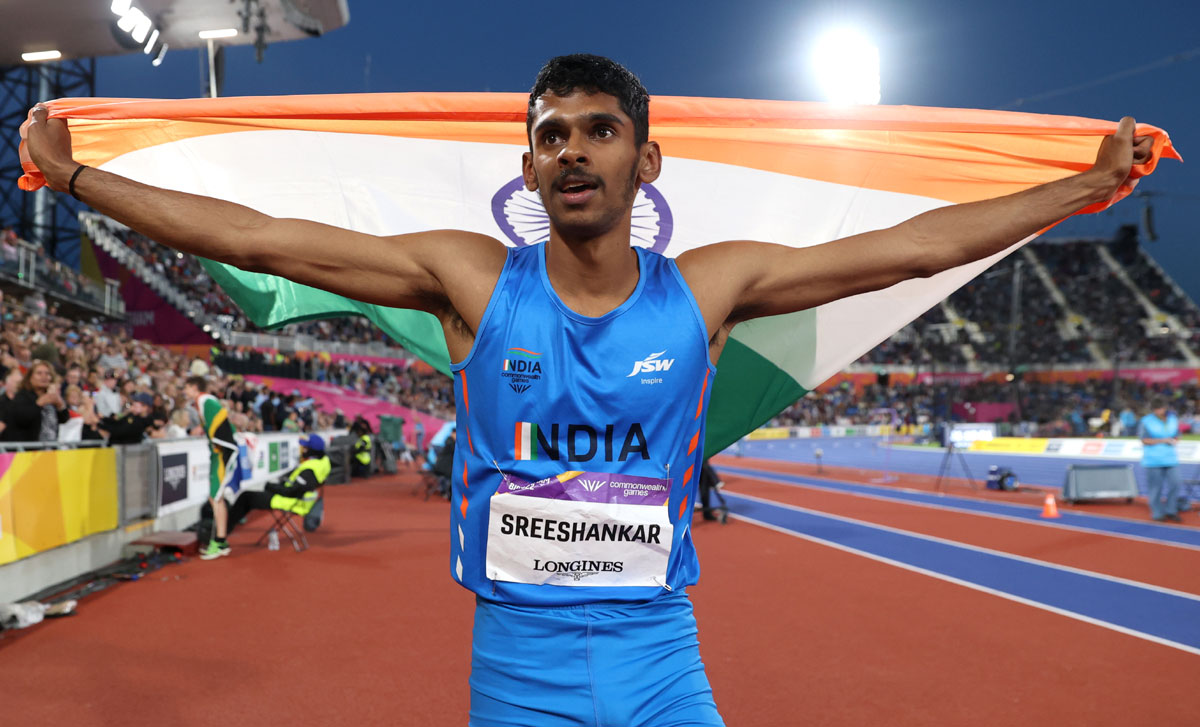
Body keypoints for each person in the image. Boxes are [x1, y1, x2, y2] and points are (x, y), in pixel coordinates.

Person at [25, 53, 1152, 726]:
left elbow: (912, 249)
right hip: (517, 669)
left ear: (644, 163)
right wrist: (78, 178)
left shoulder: (713, 287)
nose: (573, 151)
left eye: (600, 132)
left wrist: (1078, 192)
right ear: (527, 167)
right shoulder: (467, 279)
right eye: (552, 134)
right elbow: (265, 238)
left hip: (662, 656)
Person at [224, 433, 330, 535]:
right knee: (249, 497)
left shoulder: (309, 470)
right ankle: (228, 523)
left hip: (292, 502)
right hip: (300, 498)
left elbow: (290, 492)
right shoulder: (324, 462)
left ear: (312, 450)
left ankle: (224, 530)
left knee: (246, 497)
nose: (302, 449)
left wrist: (269, 486)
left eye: (305, 448)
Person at [183, 376, 242, 560]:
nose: (184, 391)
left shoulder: (204, 400)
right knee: (216, 498)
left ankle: (220, 541)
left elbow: (221, 425)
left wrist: (219, 444)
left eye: (186, 388)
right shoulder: (205, 402)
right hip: (219, 454)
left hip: (220, 455)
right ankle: (220, 540)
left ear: (194, 387)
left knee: (215, 498)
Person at [1138, 397, 1182, 523]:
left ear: (1165, 407)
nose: (1159, 411)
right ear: (1153, 409)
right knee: (1155, 488)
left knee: (1176, 484)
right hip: (1153, 459)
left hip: (1171, 458)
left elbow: (1177, 435)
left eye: (1161, 408)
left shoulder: (1173, 419)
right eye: (1156, 409)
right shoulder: (1146, 421)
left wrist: (1175, 440)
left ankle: (1171, 510)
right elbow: (1144, 440)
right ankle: (1157, 513)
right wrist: (1163, 440)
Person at [4, 360, 69, 442]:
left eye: (47, 373)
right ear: (30, 378)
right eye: (39, 373)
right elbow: (21, 419)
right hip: (29, 450)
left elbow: (64, 419)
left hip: (51, 449)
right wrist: (39, 404)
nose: (44, 376)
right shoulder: (22, 396)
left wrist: (60, 405)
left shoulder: (51, 396)